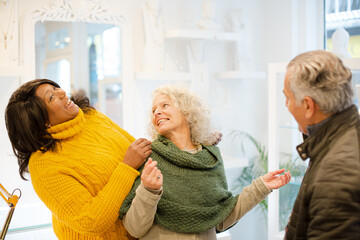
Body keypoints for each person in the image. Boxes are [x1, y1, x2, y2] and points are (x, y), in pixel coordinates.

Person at [119, 85, 291, 239]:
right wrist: (149, 190)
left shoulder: (211, 157)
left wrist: (261, 187)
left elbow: (220, 219)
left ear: (187, 111)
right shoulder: (151, 158)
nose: (156, 112)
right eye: (154, 109)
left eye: (165, 105)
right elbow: (135, 229)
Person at [5, 79, 152, 240]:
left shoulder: (91, 117)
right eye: (51, 97)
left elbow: (138, 152)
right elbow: (90, 221)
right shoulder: (44, 165)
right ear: (42, 122)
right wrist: (127, 168)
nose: (61, 92)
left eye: (56, 88)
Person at [283, 50, 360, 239]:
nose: (287, 105)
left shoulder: (337, 175)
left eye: (288, 98)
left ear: (308, 106)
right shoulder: (341, 138)